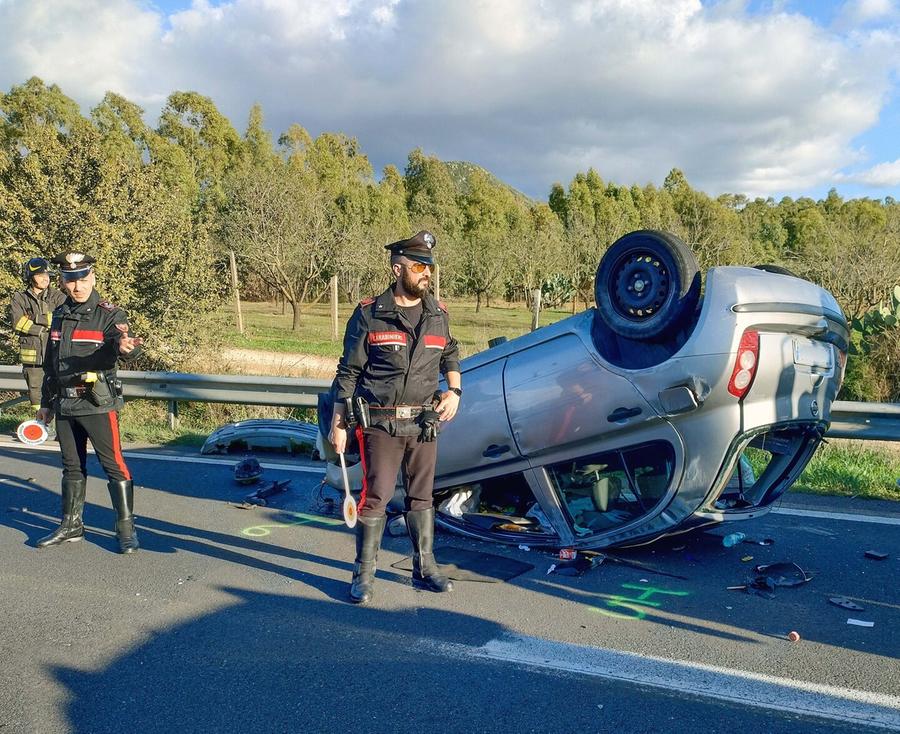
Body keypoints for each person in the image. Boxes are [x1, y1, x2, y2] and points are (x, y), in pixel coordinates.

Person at [330, 230, 462, 604]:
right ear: (397, 268)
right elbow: (348, 372)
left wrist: (455, 391)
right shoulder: (370, 314)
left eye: (430, 268)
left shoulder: (438, 314)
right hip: (381, 424)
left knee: (422, 497)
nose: (427, 274)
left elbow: (450, 353)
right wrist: (338, 422)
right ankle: (364, 576)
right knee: (378, 497)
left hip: (423, 423)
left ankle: (425, 568)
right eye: (420, 266)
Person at [35, 252, 144, 554]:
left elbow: (122, 344)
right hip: (64, 404)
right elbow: (51, 364)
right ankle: (71, 525)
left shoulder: (110, 314)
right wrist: (45, 403)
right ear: (63, 282)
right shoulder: (58, 314)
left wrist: (125, 349)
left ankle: (126, 529)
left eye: (83, 280)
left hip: (96, 403)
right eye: (71, 281)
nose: (78, 287)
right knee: (71, 466)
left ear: (92, 278)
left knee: (113, 465)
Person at [7, 257, 66, 412]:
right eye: (40, 275)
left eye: (47, 275)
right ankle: (39, 424)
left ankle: (56, 422)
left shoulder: (59, 296)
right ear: (30, 277)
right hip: (32, 355)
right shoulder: (19, 298)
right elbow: (18, 323)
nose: (45, 279)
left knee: (57, 387)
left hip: (54, 351)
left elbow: (62, 318)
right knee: (35, 390)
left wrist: (35, 318)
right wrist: (41, 329)